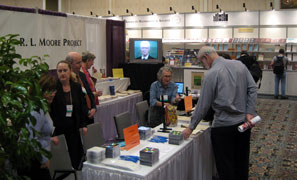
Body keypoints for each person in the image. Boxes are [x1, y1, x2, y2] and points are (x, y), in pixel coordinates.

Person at [183, 46, 258, 180]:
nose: (203, 65)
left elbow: (203, 105)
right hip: (243, 125)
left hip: (223, 128)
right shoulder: (239, 65)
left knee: (225, 167)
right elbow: (252, 88)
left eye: (201, 62)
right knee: (241, 163)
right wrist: (250, 112)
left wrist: (191, 127)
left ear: (206, 57)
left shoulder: (211, 74)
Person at [18, 74, 57, 180]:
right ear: (40, 91)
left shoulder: (42, 106)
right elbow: (29, 138)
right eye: (49, 91)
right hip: (35, 161)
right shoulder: (37, 109)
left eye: (54, 91)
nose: (52, 94)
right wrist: (44, 159)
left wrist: (49, 138)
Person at [50, 60, 87, 170]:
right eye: (59, 71)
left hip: (74, 127)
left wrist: (83, 124)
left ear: (70, 71)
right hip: (59, 129)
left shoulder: (76, 87)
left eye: (65, 70)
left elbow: (81, 107)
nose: (62, 73)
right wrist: (52, 132)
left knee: (76, 158)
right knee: (63, 161)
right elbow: (50, 111)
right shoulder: (53, 88)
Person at [66, 52, 97, 125]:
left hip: (89, 116)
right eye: (78, 63)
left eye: (81, 62)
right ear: (70, 64)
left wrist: (94, 108)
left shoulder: (82, 75)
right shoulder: (67, 79)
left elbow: (89, 93)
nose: (81, 65)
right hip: (78, 120)